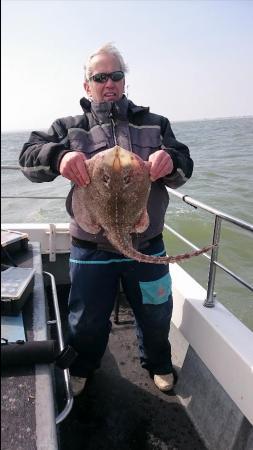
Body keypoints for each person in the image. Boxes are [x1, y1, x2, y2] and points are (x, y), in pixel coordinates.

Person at [19, 43, 193, 396]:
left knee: (156, 313)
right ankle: (83, 367)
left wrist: (171, 161)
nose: (109, 82)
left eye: (116, 75)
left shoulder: (155, 124)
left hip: (145, 243)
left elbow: (185, 164)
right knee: (85, 319)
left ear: (124, 81)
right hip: (90, 245)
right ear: (87, 85)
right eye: (100, 77)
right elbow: (28, 156)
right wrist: (58, 157)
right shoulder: (69, 128)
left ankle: (158, 364)